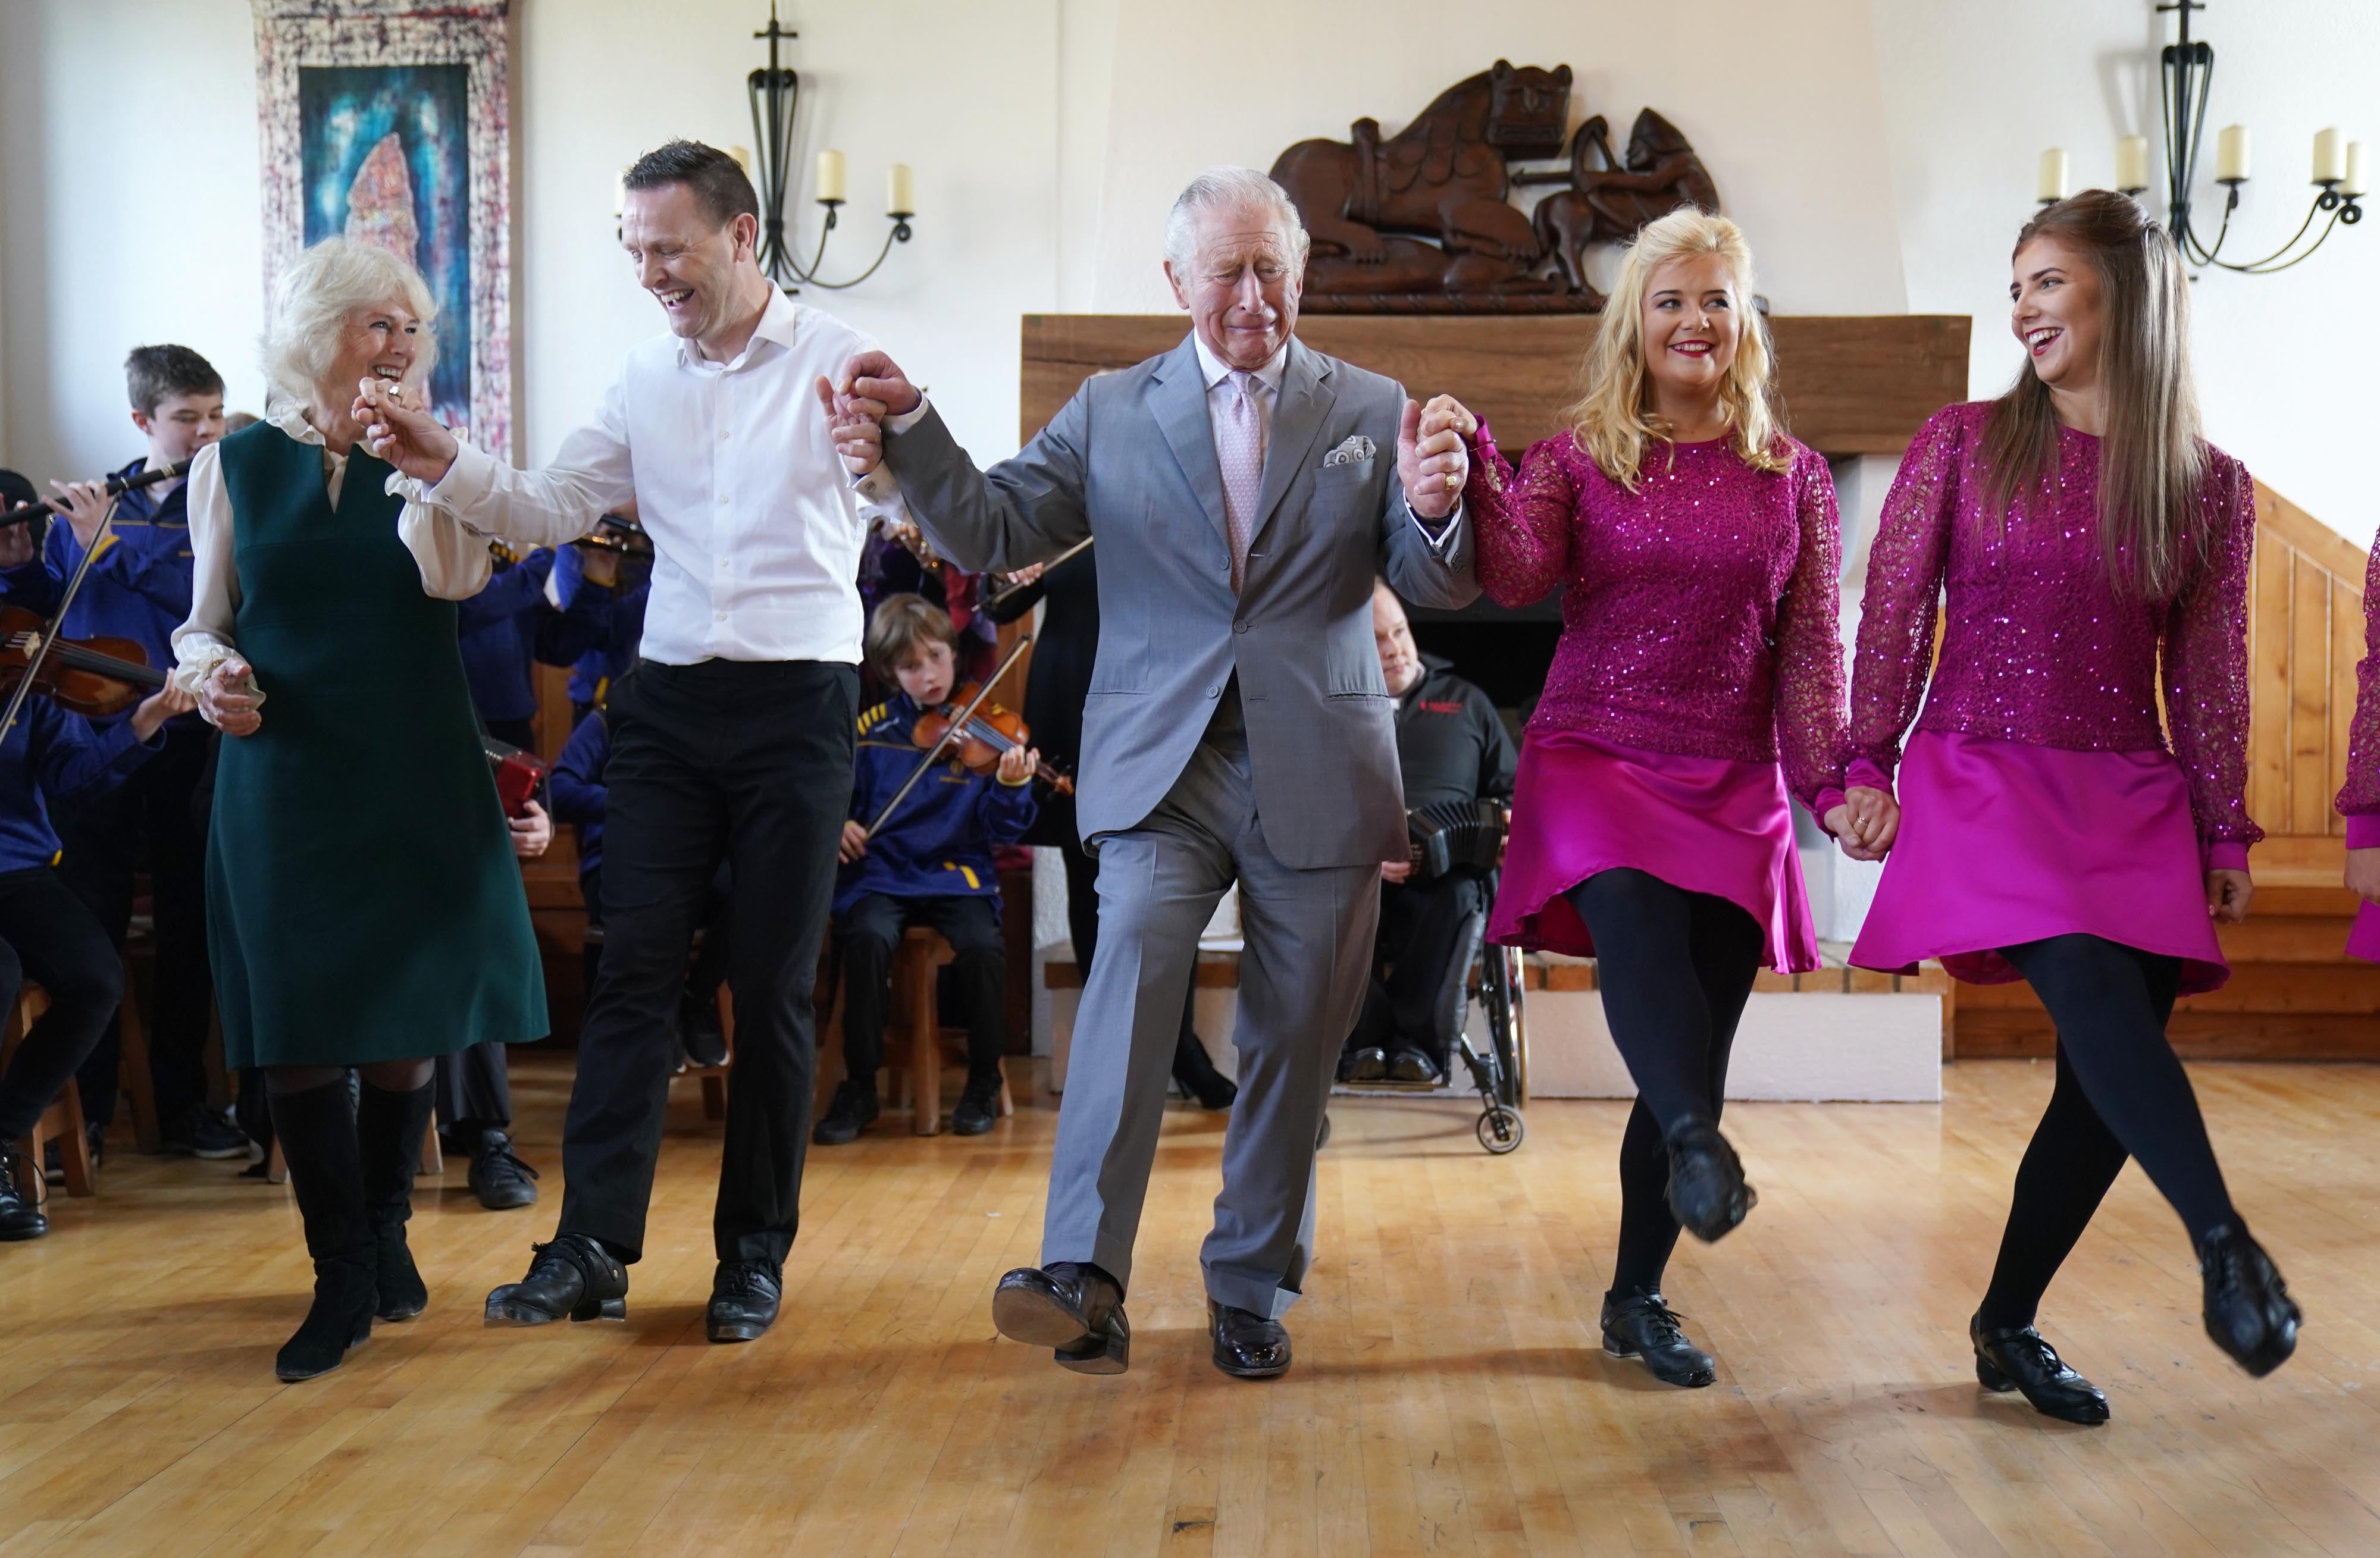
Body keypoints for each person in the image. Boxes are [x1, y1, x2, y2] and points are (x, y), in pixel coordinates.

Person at [825, 165, 1478, 1379]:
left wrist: (1438, 509)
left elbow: (1436, 584)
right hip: (1158, 762)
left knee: (1295, 1034)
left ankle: (1247, 1281)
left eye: (1270, 269)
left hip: (1321, 759)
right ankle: (1084, 1273)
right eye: (1224, 270)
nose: (1250, 296)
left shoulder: (1367, 404)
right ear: (1175, 280)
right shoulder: (1110, 410)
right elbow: (991, 529)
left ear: (1301, 275)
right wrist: (913, 428)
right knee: (1125, 984)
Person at [359, 139, 910, 1346]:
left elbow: (900, 496)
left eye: (668, 247)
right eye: (634, 249)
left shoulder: (837, 359)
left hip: (796, 704)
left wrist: (896, 456)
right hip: (664, 704)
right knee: (633, 975)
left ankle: (751, 1255)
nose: (649, 270)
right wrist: (444, 459)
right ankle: (590, 1245)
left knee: (766, 986)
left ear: (741, 236)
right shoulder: (641, 378)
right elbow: (553, 507)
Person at [1847, 190, 2297, 1424]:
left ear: (2123, 294)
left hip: (2129, 789)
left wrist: (2221, 825)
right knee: (2099, 1001)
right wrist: (1861, 763)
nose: (2023, 306)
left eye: (2047, 281)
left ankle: (2005, 1322)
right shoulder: (1962, 440)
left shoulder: (2206, 485)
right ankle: (2225, 1246)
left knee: (2102, 1077)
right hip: (1981, 771)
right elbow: (1890, 608)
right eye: (2016, 285)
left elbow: (2204, 667)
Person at [1463, 208, 1876, 1388]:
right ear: (1632, 324)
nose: (1694, 320)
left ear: (1742, 322)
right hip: (1594, 755)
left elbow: (1807, 654)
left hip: (1733, 778)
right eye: (1669, 300)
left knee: (1689, 1045)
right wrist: (1476, 466)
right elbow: (1510, 576)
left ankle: (1635, 1293)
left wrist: (1832, 782)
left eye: (1714, 300)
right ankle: (1699, 1144)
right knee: (1644, 956)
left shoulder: (1790, 476)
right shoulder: (1580, 456)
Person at [172, 238, 547, 1381]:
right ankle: (338, 1269)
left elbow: (455, 582)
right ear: (317, 331)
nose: (396, 346)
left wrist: (425, 468)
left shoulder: (438, 461)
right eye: (375, 324)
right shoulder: (230, 462)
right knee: (295, 1028)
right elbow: (203, 621)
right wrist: (210, 682)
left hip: (412, 765)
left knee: (402, 1021)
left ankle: (387, 1233)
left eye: (410, 330)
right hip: (282, 773)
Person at [2, 346, 243, 1162]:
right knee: (94, 918)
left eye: (215, 414)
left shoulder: (225, 501)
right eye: (187, 418)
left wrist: (104, 546)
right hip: (95, 738)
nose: (207, 431)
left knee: (189, 924)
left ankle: (182, 1108)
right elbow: (53, 620)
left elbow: (197, 601)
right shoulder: (91, 503)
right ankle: (95, 1114)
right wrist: (58, 548)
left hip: (189, 734)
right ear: (144, 421)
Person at [984, 547, 1237, 1111]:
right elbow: (1000, 606)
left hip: (1153, 705)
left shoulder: (1162, 496)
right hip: (1070, 704)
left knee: (1174, 875)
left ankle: (1182, 1051)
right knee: (1087, 882)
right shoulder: (1061, 514)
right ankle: (1120, 1059)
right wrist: (1013, 568)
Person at [0, 553, 195, 1237]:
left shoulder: (24, 681)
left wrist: (141, 724)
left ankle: (3, 1136)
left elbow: (78, 780)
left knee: (96, 979)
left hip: (16, 868)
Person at [815, 595, 1037, 1143]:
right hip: (882, 872)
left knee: (985, 946)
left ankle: (984, 1078)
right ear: (890, 673)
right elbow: (827, 798)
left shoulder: (985, 732)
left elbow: (1005, 830)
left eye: (936, 657)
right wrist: (838, 823)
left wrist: (1011, 786)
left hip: (955, 873)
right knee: (864, 937)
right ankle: (860, 1084)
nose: (930, 675)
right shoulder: (868, 732)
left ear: (954, 654)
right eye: (912, 666)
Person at [1338, 578, 1515, 1086]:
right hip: (1356, 873)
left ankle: (1419, 1047)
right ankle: (1362, 1043)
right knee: (1326, 901)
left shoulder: (1467, 702)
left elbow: (1512, 788)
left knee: (1462, 897)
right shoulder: (1333, 705)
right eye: (1376, 640)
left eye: (1399, 631)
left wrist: (1504, 820)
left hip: (1445, 874)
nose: (1395, 650)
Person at [547, 699, 735, 1074]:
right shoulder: (612, 714)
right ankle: (656, 1022)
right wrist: (631, 803)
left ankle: (694, 998)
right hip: (618, 859)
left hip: (698, 861)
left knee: (760, 889)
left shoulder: (714, 716)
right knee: (655, 898)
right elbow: (559, 789)